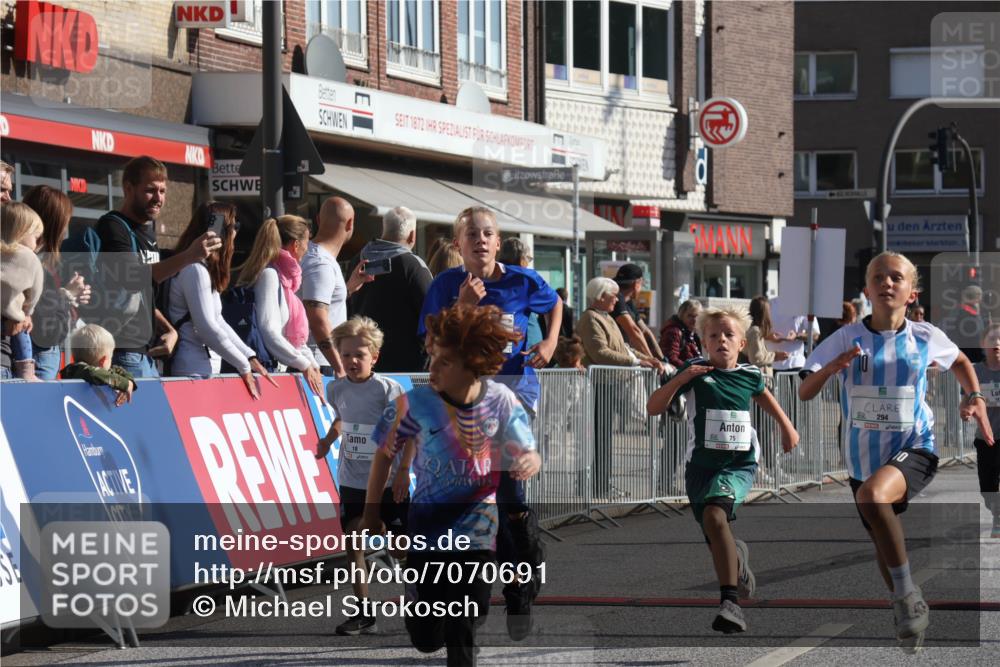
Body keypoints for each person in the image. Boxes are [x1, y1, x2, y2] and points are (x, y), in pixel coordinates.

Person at [798, 251, 993, 652]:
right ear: (867, 289)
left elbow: (959, 360)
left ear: (911, 292)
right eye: (879, 277)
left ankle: (906, 597)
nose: (887, 283)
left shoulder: (924, 336)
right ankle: (908, 610)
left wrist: (973, 396)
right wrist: (831, 368)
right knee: (883, 543)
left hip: (915, 447)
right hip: (861, 457)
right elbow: (804, 391)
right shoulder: (845, 337)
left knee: (872, 496)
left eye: (896, 278)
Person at [362, 303, 540, 666]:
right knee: (426, 639)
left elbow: (529, 451)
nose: (432, 369)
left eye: (443, 362)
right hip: (427, 530)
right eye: (432, 358)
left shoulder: (500, 400)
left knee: (465, 623)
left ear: (472, 363)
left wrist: (528, 460)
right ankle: (421, 612)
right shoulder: (414, 404)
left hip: (478, 531)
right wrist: (370, 513)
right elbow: (383, 454)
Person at [418, 206, 559, 639]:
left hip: (515, 391)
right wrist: (461, 307)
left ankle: (520, 585)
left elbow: (554, 306)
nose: (480, 239)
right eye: (471, 234)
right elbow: (430, 342)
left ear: (499, 242)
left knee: (510, 494)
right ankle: (469, 596)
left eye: (488, 233)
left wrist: (550, 342)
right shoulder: (444, 286)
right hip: (465, 397)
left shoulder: (522, 280)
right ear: (458, 245)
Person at [647, 307, 799, 634]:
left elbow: (766, 398)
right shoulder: (694, 370)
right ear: (703, 341)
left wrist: (787, 428)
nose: (722, 341)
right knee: (715, 533)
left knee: (716, 517)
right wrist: (683, 377)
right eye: (714, 336)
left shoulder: (749, 374)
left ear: (742, 342)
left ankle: (730, 603)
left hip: (738, 464)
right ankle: (738, 561)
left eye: (729, 335)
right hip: (700, 467)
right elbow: (654, 407)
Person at [313, 316, 410, 636]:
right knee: (354, 544)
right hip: (352, 479)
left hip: (387, 481)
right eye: (346, 355)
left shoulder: (387, 389)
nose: (353, 361)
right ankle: (364, 612)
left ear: (374, 357)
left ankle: (424, 600)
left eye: (360, 354)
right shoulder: (336, 387)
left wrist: (403, 473)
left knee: (399, 547)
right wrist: (329, 439)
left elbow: (408, 433)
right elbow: (342, 418)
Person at [85, 156, 220, 378]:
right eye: (150, 190)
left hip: (145, 353)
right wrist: (189, 256)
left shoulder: (146, 231)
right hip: (122, 351)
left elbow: (142, 295)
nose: (158, 198)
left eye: (163, 191)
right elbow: (134, 279)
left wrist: (169, 329)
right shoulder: (113, 226)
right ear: (129, 188)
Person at [166, 202, 275, 398]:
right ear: (220, 231)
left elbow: (218, 322)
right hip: (192, 369)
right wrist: (243, 365)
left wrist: (249, 356)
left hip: (203, 367)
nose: (236, 233)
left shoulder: (203, 269)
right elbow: (207, 327)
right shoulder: (194, 270)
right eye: (234, 227)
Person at [577, 277, 661, 498]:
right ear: (600, 296)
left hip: (609, 382)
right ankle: (598, 485)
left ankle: (604, 483)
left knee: (605, 437)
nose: (616, 299)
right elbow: (601, 352)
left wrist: (647, 359)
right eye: (612, 295)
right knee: (600, 438)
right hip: (598, 384)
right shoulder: (591, 318)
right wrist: (636, 362)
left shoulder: (606, 317)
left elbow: (623, 348)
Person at [231, 215, 323, 397]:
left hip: (271, 372)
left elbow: (291, 338)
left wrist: (313, 364)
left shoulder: (284, 280)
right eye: (307, 242)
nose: (308, 248)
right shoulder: (270, 275)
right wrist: (304, 365)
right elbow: (270, 331)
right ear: (296, 245)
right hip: (263, 375)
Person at [348, 206, 433, 372]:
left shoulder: (357, 261)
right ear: (412, 235)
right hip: (406, 366)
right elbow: (431, 313)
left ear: (383, 229)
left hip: (362, 359)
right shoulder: (413, 266)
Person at [22, 186, 91, 380]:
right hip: (38, 360)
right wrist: (66, 295)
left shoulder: (46, 261)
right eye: (65, 221)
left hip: (42, 357)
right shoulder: (30, 260)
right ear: (54, 222)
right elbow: (44, 325)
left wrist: (72, 297)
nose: (66, 229)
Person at [301, 196, 371, 377]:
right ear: (350, 224)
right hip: (321, 364)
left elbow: (319, 304)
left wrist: (348, 288)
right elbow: (317, 319)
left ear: (318, 219)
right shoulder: (321, 263)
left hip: (317, 361)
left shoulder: (312, 255)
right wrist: (340, 365)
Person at [1, 202, 44, 380]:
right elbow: (36, 290)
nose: (37, 243)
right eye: (35, 237)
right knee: (23, 331)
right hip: (13, 317)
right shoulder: (29, 257)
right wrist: (28, 311)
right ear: (22, 232)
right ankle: (27, 368)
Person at [969, 323, 1000, 538]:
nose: (997, 344)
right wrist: (967, 408)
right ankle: (996, 512)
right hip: (985, 438)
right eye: (992, 340)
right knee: (987, 488)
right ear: (983, 344)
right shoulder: (975, 371)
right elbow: (967, 397)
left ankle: (998, 519)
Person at [60, 324, 136, 407]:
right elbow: (94, 374)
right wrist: (124, 384)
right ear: (103, 361)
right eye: (111, 357)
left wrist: (130, 382)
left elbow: (117, 369)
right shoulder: (77, 370)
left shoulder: (102, 372)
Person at [612, 264, 665, 363]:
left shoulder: (628, 301)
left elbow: (645, 331)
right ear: (636, 283)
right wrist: (653, 360)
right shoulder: (617, 299)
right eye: (642, 284)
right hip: (617, 358)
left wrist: (662, 359)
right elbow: (634, 331)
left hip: (627, 354)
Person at [498, 237, 543, 350]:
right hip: (519, 354)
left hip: (515, 350)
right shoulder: (525, 279)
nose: (528, 263)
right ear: (522, 259)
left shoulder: (496, 275)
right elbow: (556, 304)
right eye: (528, 259)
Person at [745, 296, 789, 388]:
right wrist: (775, 356)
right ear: (764, 313)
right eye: (768, 310)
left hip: (760, 383)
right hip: (758, 384)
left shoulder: (756, 331)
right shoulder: (755, 332)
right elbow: (756, 359)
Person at [768, 295, 819, 373]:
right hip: (771, 365)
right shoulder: (769, 304)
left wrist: (797, 335)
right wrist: (769, 336)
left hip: (796, 364)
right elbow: (755, 331)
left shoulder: (804, 305)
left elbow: (815, 335)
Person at [660, 299, 703, 369]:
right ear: (681, 315)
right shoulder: (674, 332)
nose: (694, 320)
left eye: (696, 316)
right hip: (681, 376)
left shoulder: (693, 334)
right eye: (690, 316)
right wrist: (691, 369)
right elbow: (670, 358)